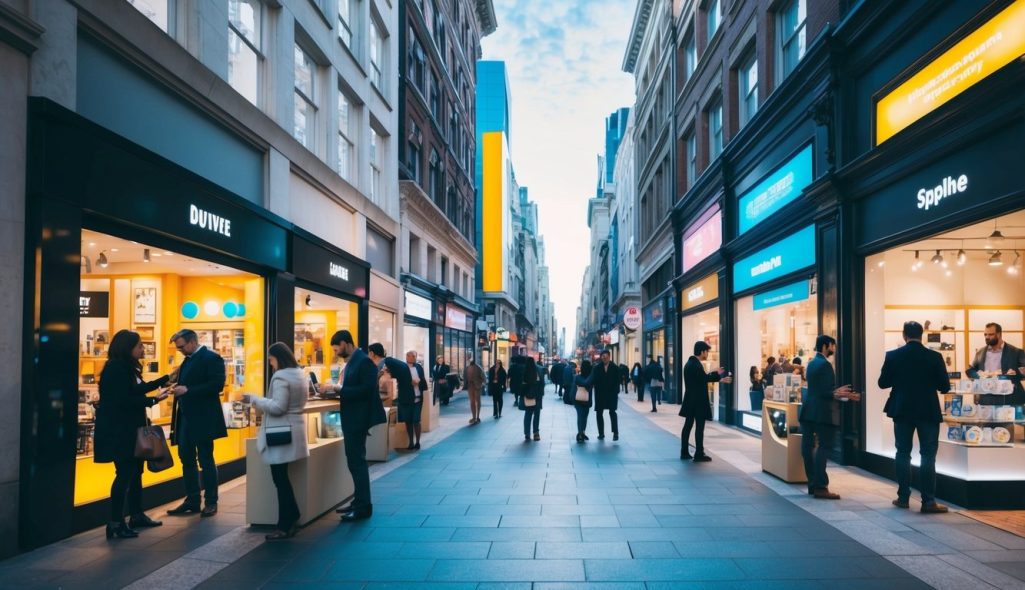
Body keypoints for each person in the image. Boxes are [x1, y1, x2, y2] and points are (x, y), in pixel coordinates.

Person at [94, 330, 171, 539]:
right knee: (124, 474)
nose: (142, 349)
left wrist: (164, 381)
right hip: (121, 432)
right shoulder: (116, 369)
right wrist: (154, 400)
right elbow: (122, 400)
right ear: (127, 348)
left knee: (136, 473)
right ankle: (115, 522)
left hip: (132, 430)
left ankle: (136, 514)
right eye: (139, 346)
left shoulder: (127, 368)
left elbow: (136, 390)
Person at [878, 321, 950, 513]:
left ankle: (903, 498)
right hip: (928, 410)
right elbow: (945, 386)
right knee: (928, 455)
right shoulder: (934, 357)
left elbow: (882, 383)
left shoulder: (893, 356)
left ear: (904, 335)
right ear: (922, 335)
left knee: (902, 452)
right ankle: (928, 501)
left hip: (902, 409)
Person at [317, 330, 386, 521]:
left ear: (347, 343)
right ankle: (358, 501)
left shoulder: (363, 361)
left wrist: (338, 388)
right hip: (353, 418)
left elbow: (365, 390)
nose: (336, 352)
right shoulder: (353, 362)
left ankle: (363, 506)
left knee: (357, 463)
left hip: (357, 419)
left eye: (337, 347)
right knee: (354, 462)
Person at [243, 342, 309, 540]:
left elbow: (279, 407)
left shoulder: (280, 377)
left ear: (278, 358)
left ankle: (285, 524)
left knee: (280, 479)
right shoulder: (299, 374)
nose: (271, 365)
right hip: (295, 429)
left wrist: (255, 399)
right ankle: (292, 516)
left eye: (271, 360)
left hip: (280, 431)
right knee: (282, 479)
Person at [167, 329, 227, 518]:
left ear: (193, 341)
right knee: (186, 458)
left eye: (182, 346)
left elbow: (216, 385)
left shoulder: (211, 358)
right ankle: (192, 499)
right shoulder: (187, 360)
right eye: (178, 348)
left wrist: (187, 390)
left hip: (203, 418)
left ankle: (211, 501)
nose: (180, 350)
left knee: (206, 459)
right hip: (185, 417)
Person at [799, 335, 858, 500]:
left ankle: (812, 484)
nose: (834, 349)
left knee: (807, 447)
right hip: (822, 413)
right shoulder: (825, 365)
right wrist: (840, 393)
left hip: (808, 410)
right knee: (825, 446)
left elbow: (818, 389)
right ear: (826, 346)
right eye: (833, 345)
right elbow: (825, 392)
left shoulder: (811, 363)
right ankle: (820, 486)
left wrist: (836, 392)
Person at [680, 341, 732, 462]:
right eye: (707, 351)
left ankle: (685, 451)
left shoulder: (690, 363)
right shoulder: (695, 364)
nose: (708, 353)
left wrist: (716, 375)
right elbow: (703, 378)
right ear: (702, 351)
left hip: (690, 400)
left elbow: (701, 378)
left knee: (688, 426)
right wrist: (718, 377)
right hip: (697, 401)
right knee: (699, 427)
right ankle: (698, 453)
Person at [966, 322, 1025, 404]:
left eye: (990, 334)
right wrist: (979, 377)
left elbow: (1023, 373)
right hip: (986, 399)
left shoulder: (1016, 352)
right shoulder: (980, 352)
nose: (987, 337)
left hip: (1010, 400)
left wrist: (1016, 373)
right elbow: (971, 370)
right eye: (985, 335)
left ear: (999, 334)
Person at [593, 351, 621, 441]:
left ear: (609, 357)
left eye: (605, 356)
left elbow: (618, 380)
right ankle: (601, 433)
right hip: (600, 394)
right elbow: (594, 379)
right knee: (599, 413)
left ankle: (615, 433)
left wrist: (616, 391)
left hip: (611, 394)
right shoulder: (597, 368)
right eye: (602, 356)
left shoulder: (615, 367)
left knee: (612, 413)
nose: (604, 358)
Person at [406, 351, 427, 448]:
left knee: (416, 420)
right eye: (412, 356)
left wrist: (419, 381)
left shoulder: (419, 367)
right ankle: (410, 441)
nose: (413, 358)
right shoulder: (403, 367)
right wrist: (409, 382)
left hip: (418, 397)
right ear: (407, 357)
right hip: (407, 398)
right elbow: (401, 380)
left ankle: (418, 441)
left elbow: (423, 380)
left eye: (415, 356)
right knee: (408, 421)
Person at [521, 357, 543, 441]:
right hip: (537, 396)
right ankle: (536, 433)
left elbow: (522, 385)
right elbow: (541, 383)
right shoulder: (538, 370)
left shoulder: (524, 371)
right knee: (536, 414)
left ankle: (527, 433)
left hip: (527, 396)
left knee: (528, 414)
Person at [573, 360, 594, 442]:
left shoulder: (578, 377)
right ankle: (580, 433)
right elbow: (586, 385)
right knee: (582, 416)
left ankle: (582, 433)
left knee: (582, 417)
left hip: (579, 399)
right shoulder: (589, 378)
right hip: (584, 400)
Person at [463, 357, 485, 425]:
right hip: (470, 386)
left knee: (477, 401)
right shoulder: (466, 368)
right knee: (472, 401)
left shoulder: (478, 367)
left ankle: (478, 416)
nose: (470, 361)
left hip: (477, 386)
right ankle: (474, 417)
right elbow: (464, 377)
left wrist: (481, 384)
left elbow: (483, 377)